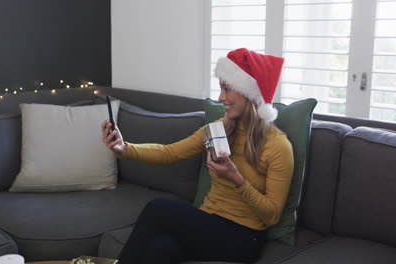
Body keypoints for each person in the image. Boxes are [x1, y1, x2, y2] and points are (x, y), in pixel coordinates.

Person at [101, 48, 294, 264]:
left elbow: (272, 216)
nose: (221, 98)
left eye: (227, 89)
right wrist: (125, 148)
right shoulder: (220, 129)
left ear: (249, 94)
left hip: (244, 236)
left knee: (158, 209)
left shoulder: (278, 147)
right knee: (162, 249)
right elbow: (170, 153)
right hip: (208, 221)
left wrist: (237, 179)